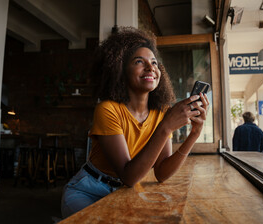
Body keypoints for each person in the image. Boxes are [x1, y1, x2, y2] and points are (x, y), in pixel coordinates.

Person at [61, 27, 209, 218]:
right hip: (88, 190)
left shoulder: (161, 113)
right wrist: (166, 127)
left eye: (154, 62)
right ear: (120, 69)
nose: (150, 68)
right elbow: (128, 176)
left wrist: (194, 134)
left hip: (124, 192)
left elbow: (162, 173)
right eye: (139, 61)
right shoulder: (108, 109)